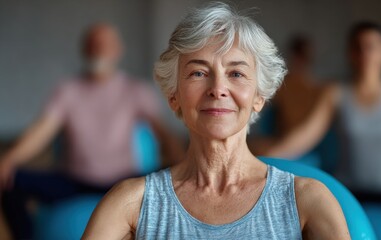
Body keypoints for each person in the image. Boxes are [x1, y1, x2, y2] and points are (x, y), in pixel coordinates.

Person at [82, 3, 350, 239]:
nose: (218, 88)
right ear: (173, 96)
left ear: (259, 97)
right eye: (198, 73)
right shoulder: (131, 202)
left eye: (236, 73)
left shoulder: (308, 199)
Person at [0, 23, 182, 239]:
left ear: (118, 50)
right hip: (74, 180)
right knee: (11, 180)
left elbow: (164, 134)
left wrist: (185, 164)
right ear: (84, 49)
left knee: (178, 180)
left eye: (105, 44)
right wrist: (9, 159)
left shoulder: (135, 90)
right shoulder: (68, 90)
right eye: (94, 44)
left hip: (125, 180)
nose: (99, 49)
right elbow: (41, 132)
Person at [267, 22, 381, 196]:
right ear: (350, 53)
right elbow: (305, 136)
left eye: (372, 47)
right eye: (358, 47)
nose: (365, 53)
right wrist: (264, 159)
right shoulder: (335, 94)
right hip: (350, 195)